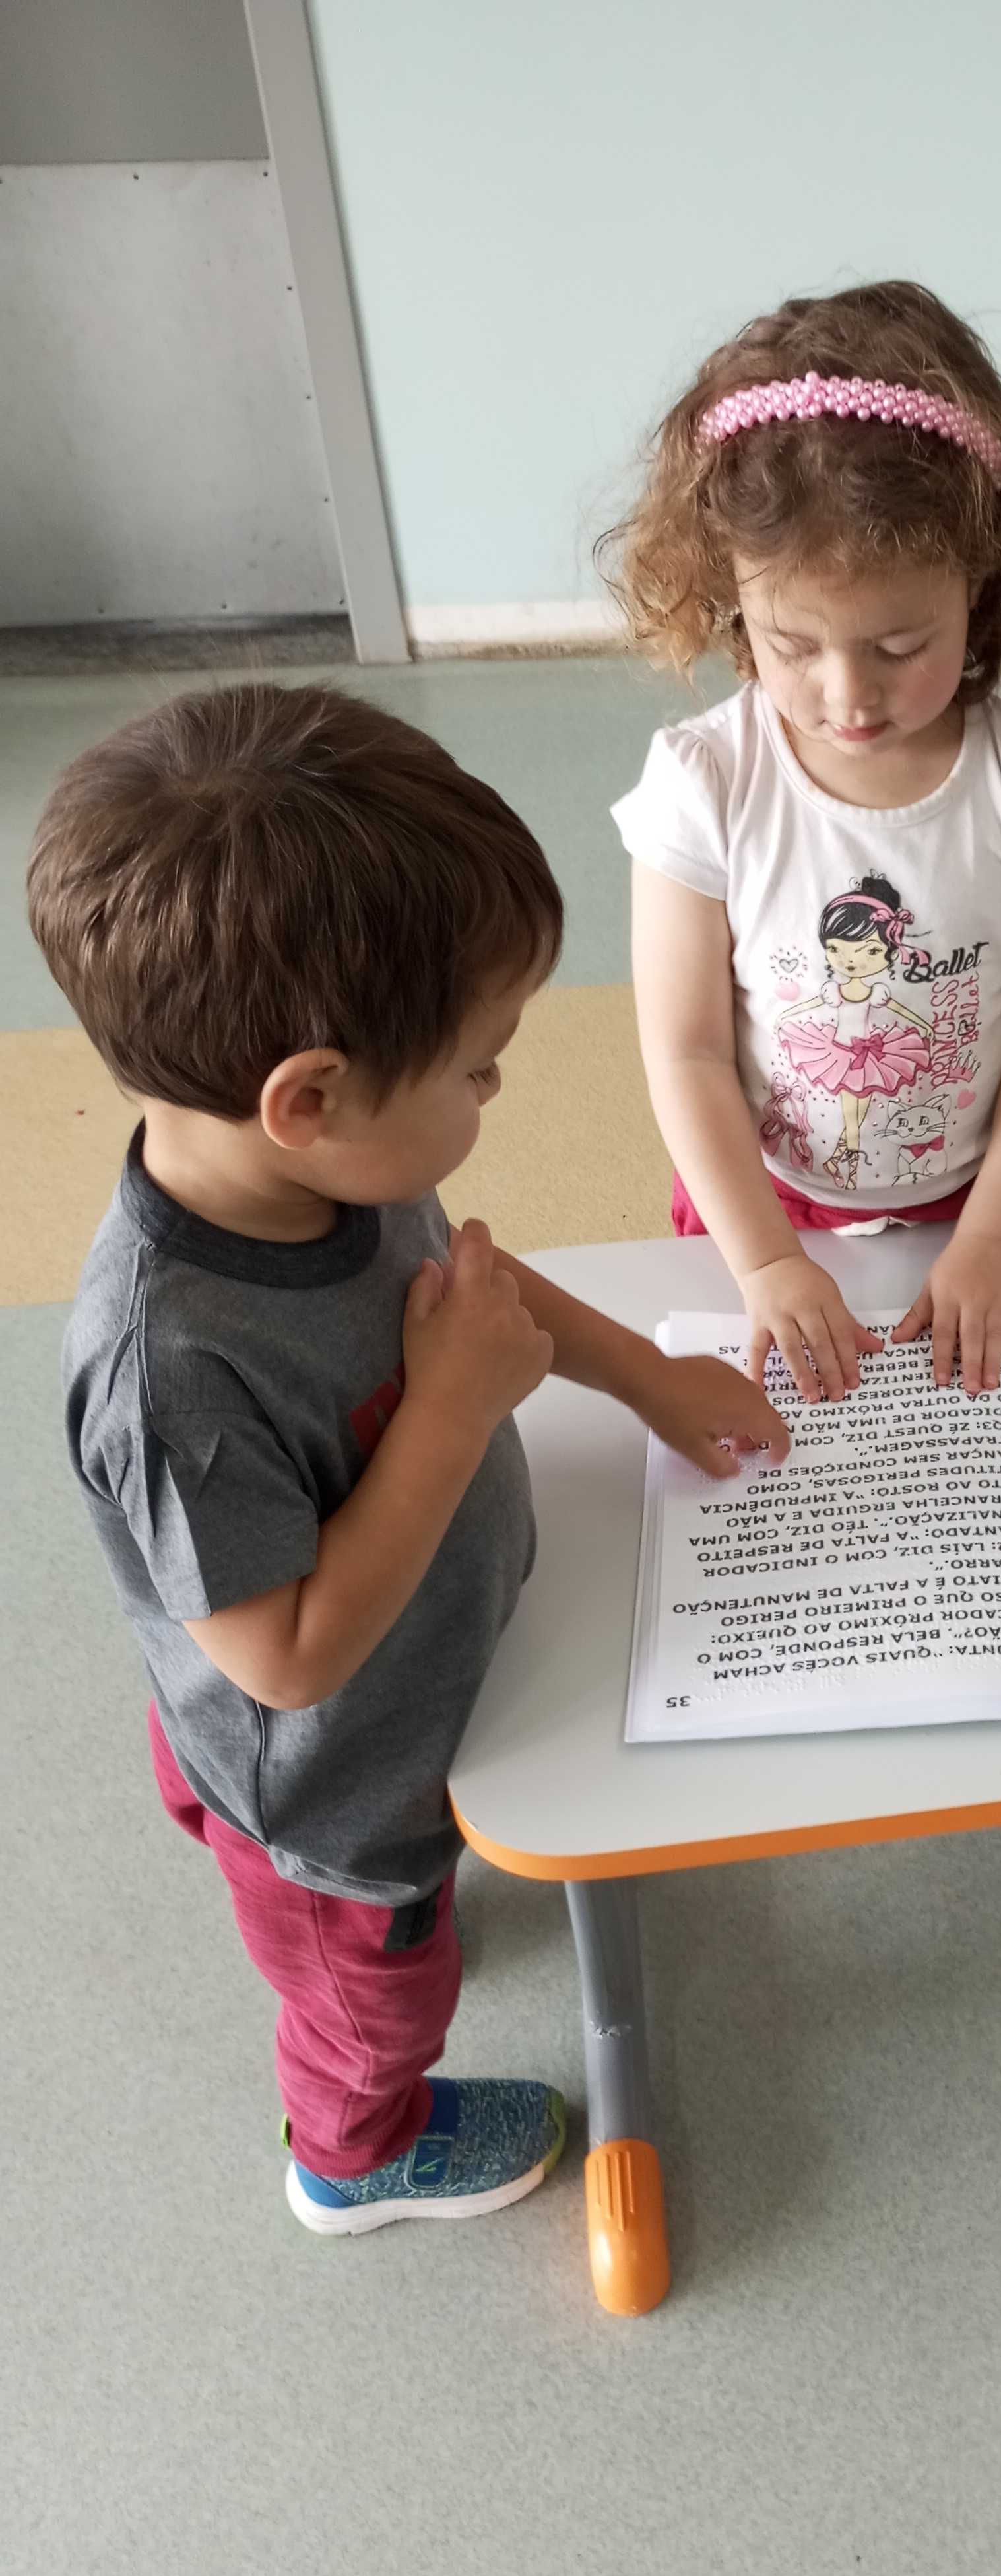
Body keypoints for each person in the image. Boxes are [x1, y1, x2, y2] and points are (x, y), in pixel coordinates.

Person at [30, 685, 787, 2238]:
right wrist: (447, 1413)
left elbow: (473, 1295)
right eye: (482, 1068)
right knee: (371, 2000)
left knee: (408, 1918)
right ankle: (354, 2154)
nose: (496, 1095)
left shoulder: (329, 1173)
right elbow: (287, 1662)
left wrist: (647, 1377)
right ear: (308, 1099)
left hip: (428, 1686)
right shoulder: (169, 1369)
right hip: (332, 1800)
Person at [605, 279, 1001, 1401]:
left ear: (984, 588)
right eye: (793, 644)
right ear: (729, 593)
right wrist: (766, 1262)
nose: (848, 695)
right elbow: (687, 1054)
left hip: (984, 1208)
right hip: (760, 1210)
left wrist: (991, 1238)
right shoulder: (704, 783)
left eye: (899, 645)